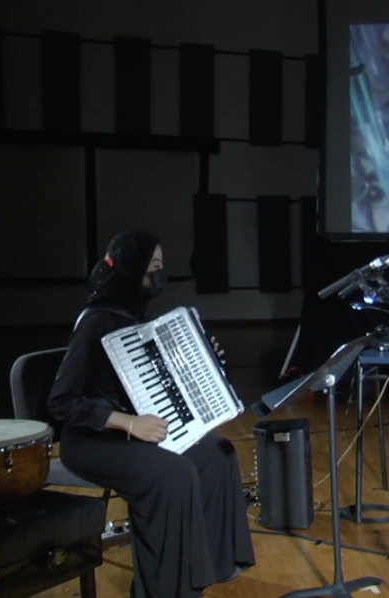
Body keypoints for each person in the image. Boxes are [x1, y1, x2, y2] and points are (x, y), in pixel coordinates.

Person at [48, 231, 256, 597]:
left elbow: (153, 384)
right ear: (132, 270)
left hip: (132, 432)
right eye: (154, 266)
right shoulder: (97, 320)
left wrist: (205, 360)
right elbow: (61, 402)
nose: (160, 274)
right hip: (90, 439)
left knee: (218, 455)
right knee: (172, 476)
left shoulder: (134, 317)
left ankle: (205, 571)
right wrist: (129, 424)